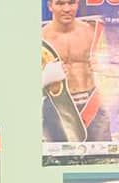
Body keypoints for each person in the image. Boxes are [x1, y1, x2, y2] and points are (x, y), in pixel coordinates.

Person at [42, 0, 111, 143]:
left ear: (78, 4)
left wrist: (103, 65)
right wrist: (44, 77)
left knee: (102, 154)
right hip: (57, 107)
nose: (67, 9)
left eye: (71, 3)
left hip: (91, 105)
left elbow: (113, 68)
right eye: (60, 4)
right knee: (56, 155)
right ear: (50, 6)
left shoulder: (92, 30)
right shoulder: (41, 37)